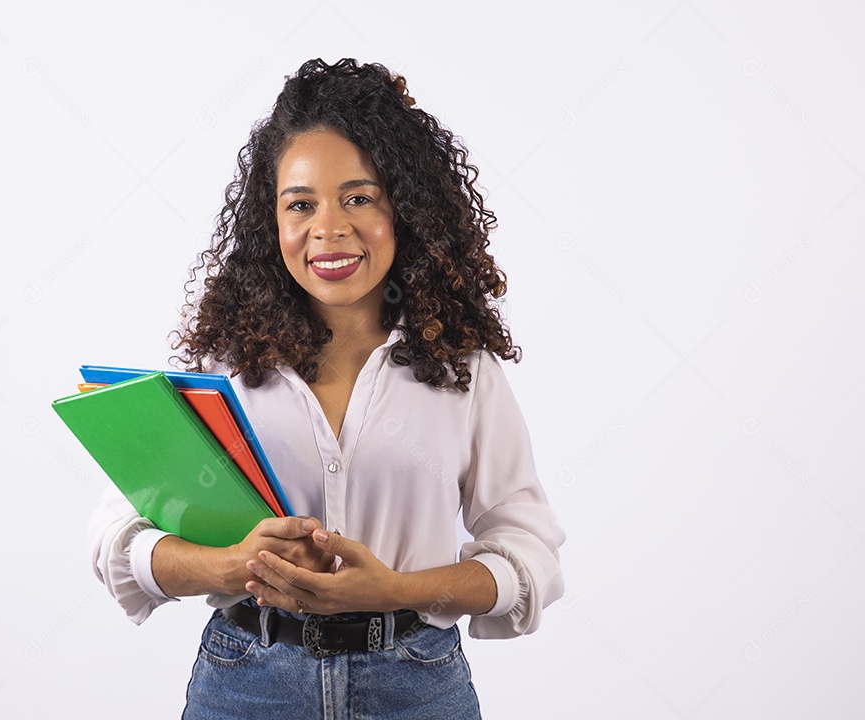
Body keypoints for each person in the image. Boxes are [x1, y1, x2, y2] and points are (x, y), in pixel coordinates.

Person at [87, 58, 566, 719]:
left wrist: (395, 589)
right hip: (245, 685)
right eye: (301, 204)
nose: (329, 229)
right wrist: (231, 568)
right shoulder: (220, 367)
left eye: (359, 198)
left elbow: (528, 553)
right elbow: (120, 536)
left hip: (416, 686)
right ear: (271, 220)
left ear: (405, 208)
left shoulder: (462, 369)